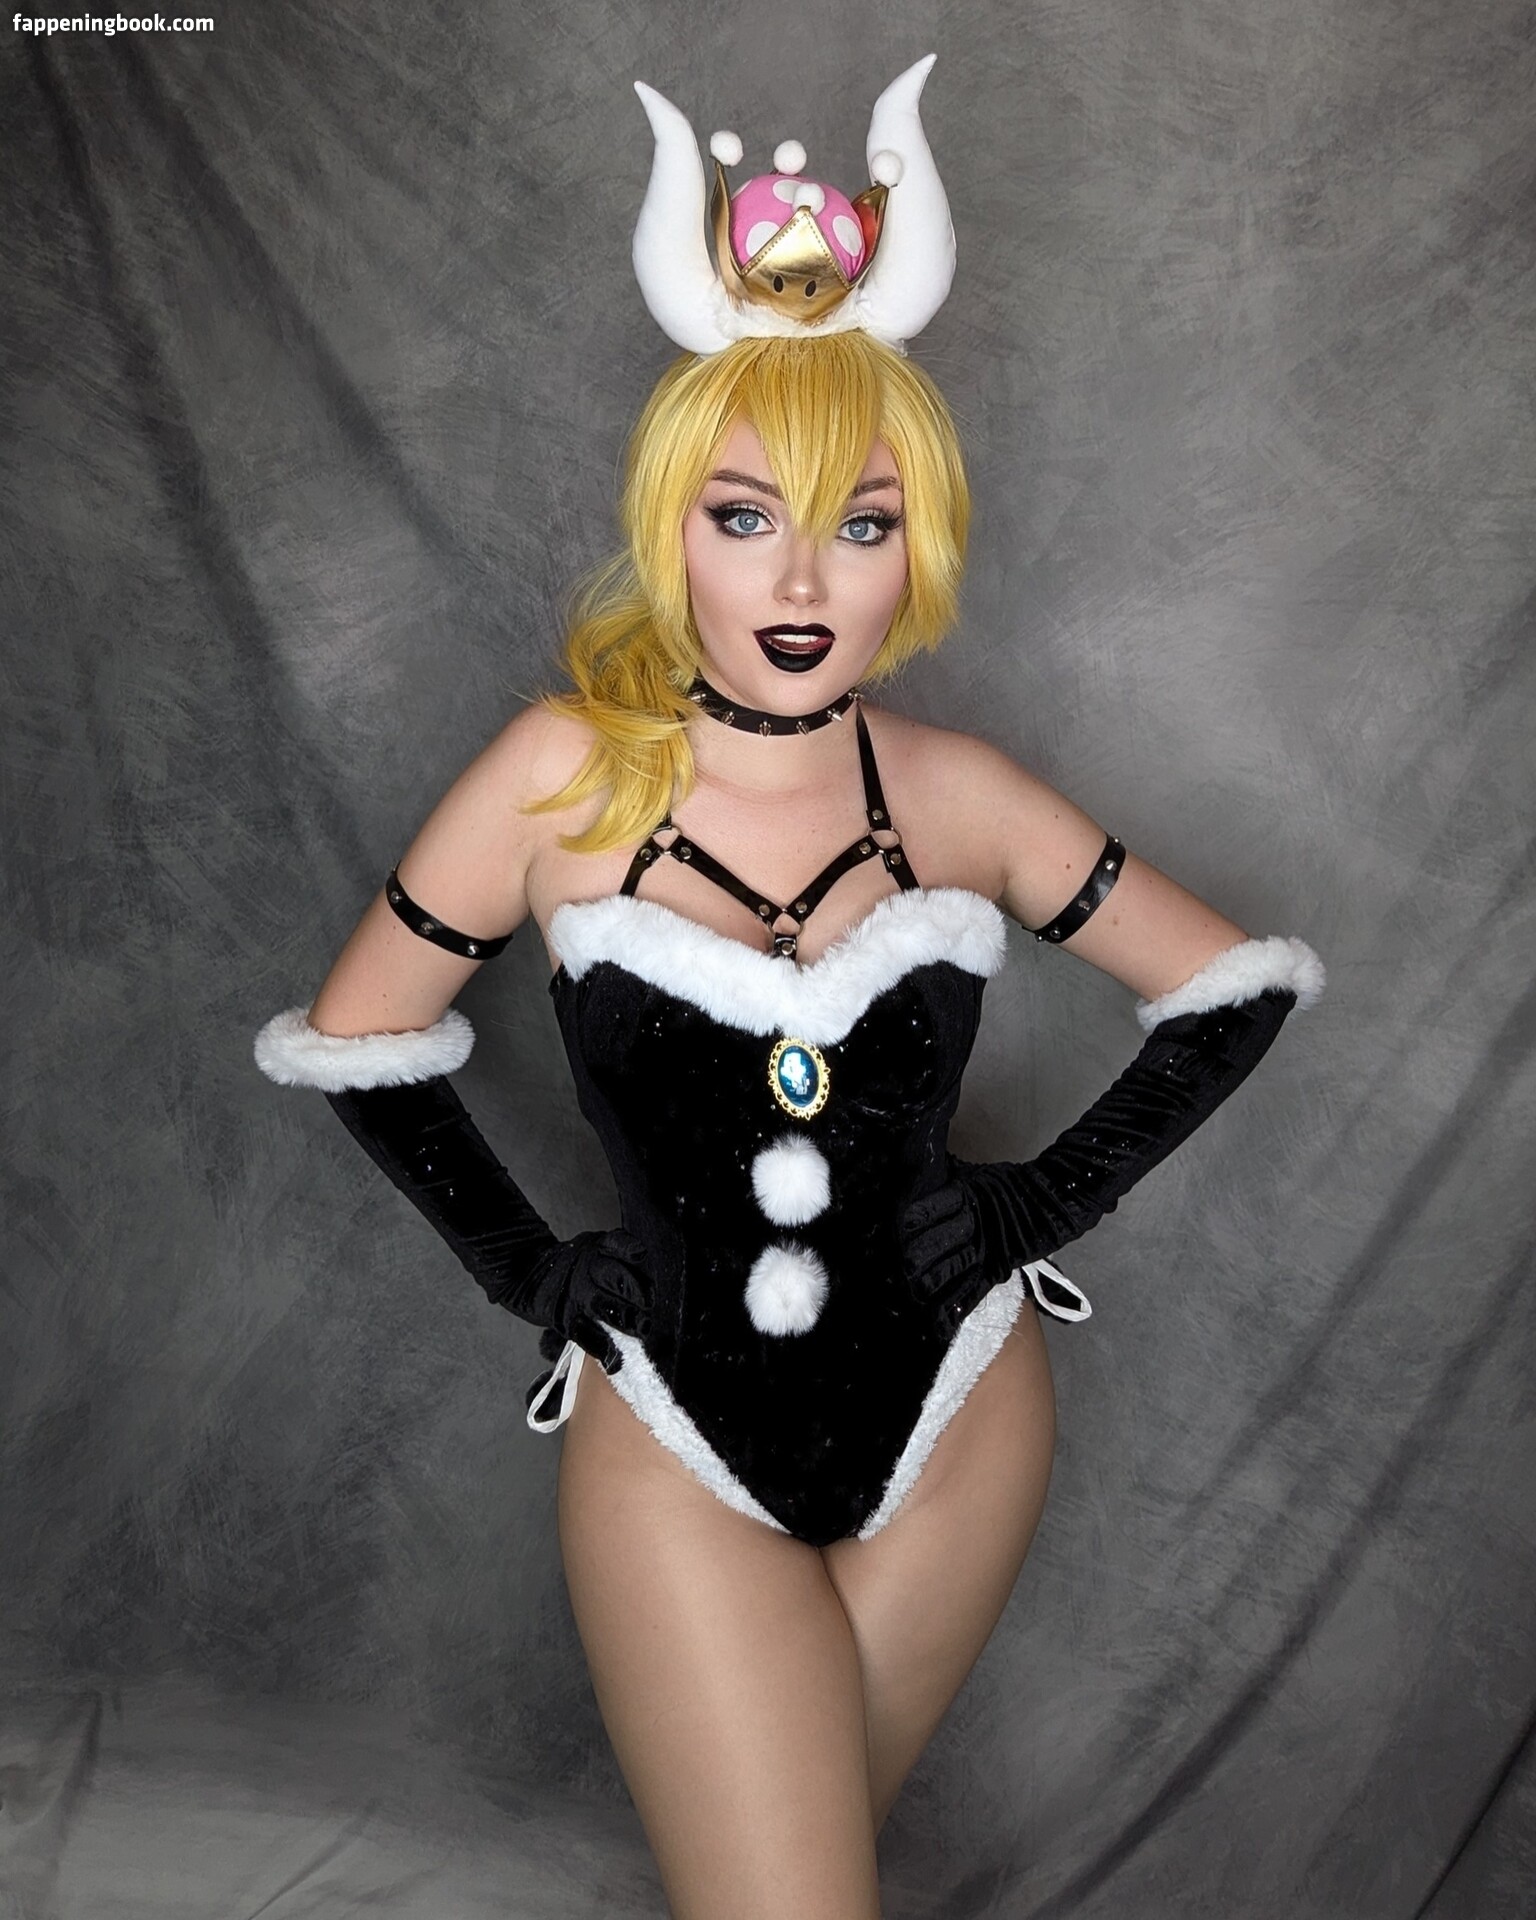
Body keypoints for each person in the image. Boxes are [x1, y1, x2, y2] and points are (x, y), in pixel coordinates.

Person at [255, 56, 1324, 1919]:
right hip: (675, 1433)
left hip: (959, 1419)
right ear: (670, 523)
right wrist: (524, 1267)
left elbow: (1234, 986)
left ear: (925, 543)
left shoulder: (965, 795)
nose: (806, 577)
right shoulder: (557, 778)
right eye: (747, 517)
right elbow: (357, 1039)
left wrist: (1045, 1205)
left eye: (865, 520)